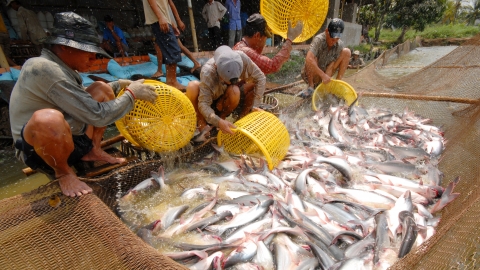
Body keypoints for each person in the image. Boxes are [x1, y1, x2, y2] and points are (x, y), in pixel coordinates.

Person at [9, 12, 157, 197]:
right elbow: (98, 115)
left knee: (101, 88)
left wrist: (118, 85)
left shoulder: (63, 68)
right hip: (40, 150)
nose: (93, 56)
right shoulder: (43, 67)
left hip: (70, 136)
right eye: (89, 51)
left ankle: (93, 149)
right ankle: (63, 172)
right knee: (48, 119)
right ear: (67, 48)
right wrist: (132, 94)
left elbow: (80, 99)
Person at [185, 45, 265, 134]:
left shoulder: (242, 59)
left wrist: (255, 106)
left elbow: (261, 78)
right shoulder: (208, 72)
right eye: (225, 81)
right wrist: (217, 121)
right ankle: (202, 126)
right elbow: (203, 103)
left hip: (226, 101)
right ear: (216, 67)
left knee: (238, 90)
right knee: (193, 87)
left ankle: (235, 121)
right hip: (211, 101)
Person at [233, 13, 303, 75]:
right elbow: (272, 66)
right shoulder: (246, 52)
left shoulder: (241, 46)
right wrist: (289, 40)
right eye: (265, 37)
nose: (265, 41)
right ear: (257, 36)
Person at [299, 18, 351, 98]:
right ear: (327, 31)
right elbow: (308, 59)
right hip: (312, 74)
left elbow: (332, 64)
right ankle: (311, 86)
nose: (333, 41)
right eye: (332, 38)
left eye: (336, 39)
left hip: (326, 72)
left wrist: (326, 83)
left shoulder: (339, 44)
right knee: (311, 59)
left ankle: (337, 84)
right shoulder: (319, 40)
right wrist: (323, 75)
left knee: (347, 52)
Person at [151, 0, 201, 78]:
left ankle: (160, 70)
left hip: (167, 23)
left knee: (159, 46)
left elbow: (171, 4)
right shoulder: (162, 5)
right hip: (169, 22)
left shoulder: (163, 5)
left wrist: (177, 21)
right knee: (179, 46)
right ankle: (196, 62)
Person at [143, 0, 185, 90]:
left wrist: (172, 23)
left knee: (169, 52)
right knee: (173, 50)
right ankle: (172, 82)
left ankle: (170, 82)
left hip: (164, 19)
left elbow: (167, 5)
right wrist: (160, 17)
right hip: (159, 19)